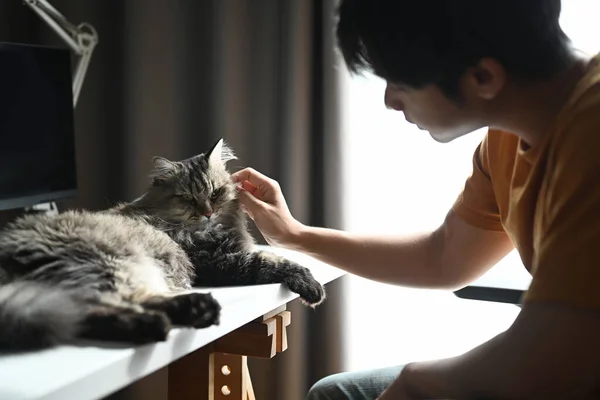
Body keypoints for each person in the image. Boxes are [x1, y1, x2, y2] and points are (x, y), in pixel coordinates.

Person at [232, 0, 600, 398]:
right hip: (560, 356)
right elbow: (445, 257)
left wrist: (417, 383)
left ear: (483, 77)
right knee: (336, 393)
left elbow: (555, 357)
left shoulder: (591, 133)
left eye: (400, 83)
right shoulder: (505, 137)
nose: (391, 101)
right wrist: (294, 235)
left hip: (570, 364)